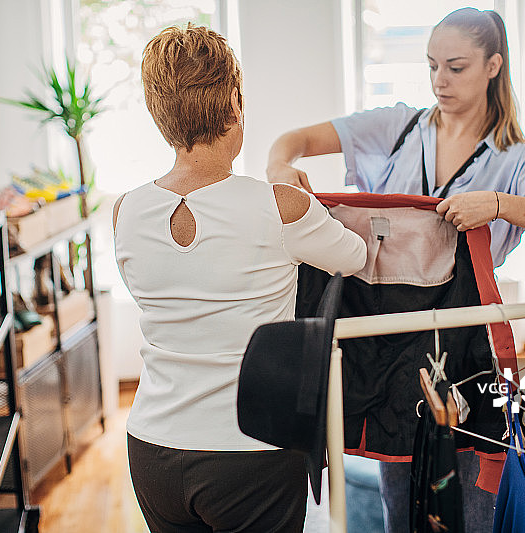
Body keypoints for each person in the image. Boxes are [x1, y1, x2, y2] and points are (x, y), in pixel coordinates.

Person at [266, 7, 525, 533]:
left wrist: (498, 204)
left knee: (470, 498)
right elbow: (292, 140)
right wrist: (279, 167)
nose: (440, 80)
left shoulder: (516, 160)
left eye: (455, 67)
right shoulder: (397, 126)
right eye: (432, 65)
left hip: (465, 343)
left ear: (493, 65)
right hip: (394, 342)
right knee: (400, 498)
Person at [113, 24, 366, 533]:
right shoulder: (278, 205)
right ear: (234, 101)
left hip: (152, 449)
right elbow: (354, 256)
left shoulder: (126, 210)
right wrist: (295, 196)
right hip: (250, 452)